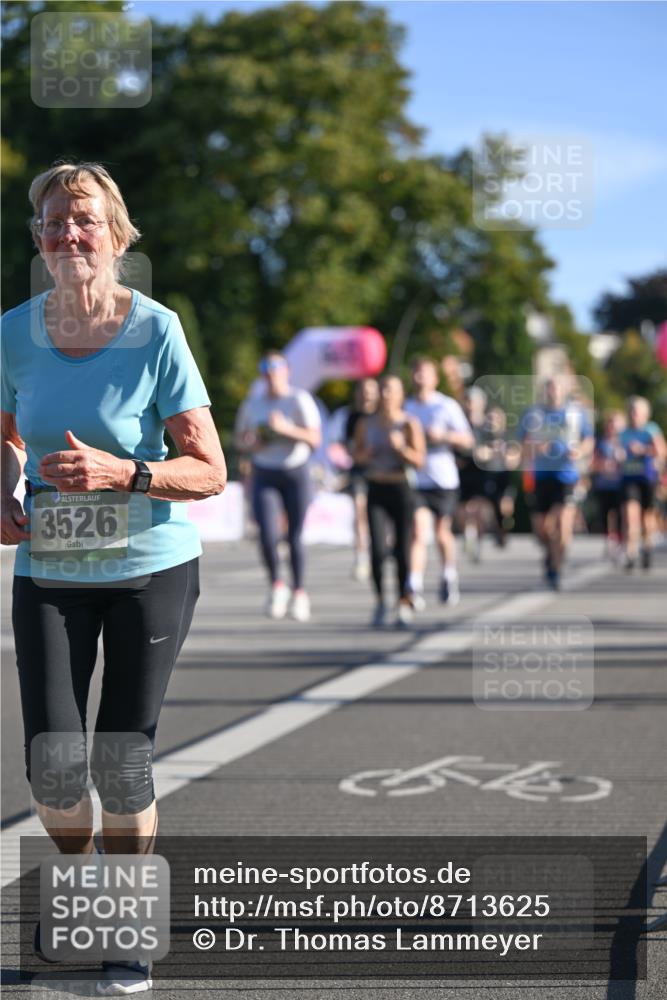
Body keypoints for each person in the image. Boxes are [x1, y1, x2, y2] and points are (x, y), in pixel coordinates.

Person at [1, 161, 226, 994]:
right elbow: (5, 433)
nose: (69, 233)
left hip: (146, 570)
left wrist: (122, 472)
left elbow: (209, 471)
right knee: (54, 764)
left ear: (116, 234)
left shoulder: (157, 331)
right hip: (50, 569)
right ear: (39, 240)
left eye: (85, 220)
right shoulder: (13, 332)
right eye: (54, 222)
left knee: (121, 760)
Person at [235, 352, 321, 621]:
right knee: (267, 534)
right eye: (266, 367)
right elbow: (240, 439)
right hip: (265, 471)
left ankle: (299, 591)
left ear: (287, 371)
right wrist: (251, 444)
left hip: (295, 471)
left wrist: (286, 429)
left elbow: (315, 439)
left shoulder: (298, 399)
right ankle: (277, 585)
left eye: (276, 367)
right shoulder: (253, 403)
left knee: (294, 536)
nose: (271, 372)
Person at [353, 374, 425, 628]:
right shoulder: (366, 423)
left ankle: (405, 600)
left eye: (391, 390)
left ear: (400, 395)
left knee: (403, 550)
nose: (385, 395)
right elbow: (357, 456)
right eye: (383, 389)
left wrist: (402, 449)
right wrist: (365, 454)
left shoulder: (408, 423)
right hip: (376, 488)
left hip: (401, 488)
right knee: (377, 551)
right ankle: (381, 600)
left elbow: (419, 460)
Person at [404, 357, 473, 608]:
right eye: (416, 371)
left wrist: (443, 436)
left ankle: (448, 574)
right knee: (418, 530)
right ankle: (414, 584)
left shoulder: (446, 406)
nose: (420, 377)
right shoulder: (406, 407)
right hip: (416, 478)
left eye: (425, 372)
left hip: (443, 478)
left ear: (434, 378)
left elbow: (467, 439)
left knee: (442, 532)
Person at [519, 377, 593, 589]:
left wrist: (580, 450)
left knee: (562, 525)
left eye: (557, 387)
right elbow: (521, 447)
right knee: (542, 528)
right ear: (544, 391)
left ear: (564, 390)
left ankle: (556, 569)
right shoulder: (533, 415)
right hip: (541, 475)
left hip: (567, 475)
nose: (553, 391)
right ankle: (551, 554)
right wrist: (535, 448)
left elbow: (588, 440)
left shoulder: (575, 413)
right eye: (549, 388)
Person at [335, 378, 379, 580]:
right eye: (363, 390)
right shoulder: (350, 416)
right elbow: (343, 444)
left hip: (384, 471)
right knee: (360, 512)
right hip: (359, 470)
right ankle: (361, 556)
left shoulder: (383, 415)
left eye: (371, 390)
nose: (367, 394)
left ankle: (380, 551)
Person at [618, 396, 666, 570]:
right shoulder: (623, 433)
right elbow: (617, 453)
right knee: (630, 516)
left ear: (645, 414)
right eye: (631, 411)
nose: (633, 415)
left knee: (647, 518)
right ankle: (630, 551)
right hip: (628, 478)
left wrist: (643, 450)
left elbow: (661, 452)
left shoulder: (651, 430)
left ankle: (646, 546)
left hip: (648, 478)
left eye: (636, 412)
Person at [591, 410, 625, 561]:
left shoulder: (625, 440)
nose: (613, 427)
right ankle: (609, 541)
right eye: (610, 423)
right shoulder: (600, 441)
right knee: (604, 514)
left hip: (620, 484)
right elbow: (593, 462)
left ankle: (619, 542)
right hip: (604, 484)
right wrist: (601, 465)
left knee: (619, 515)